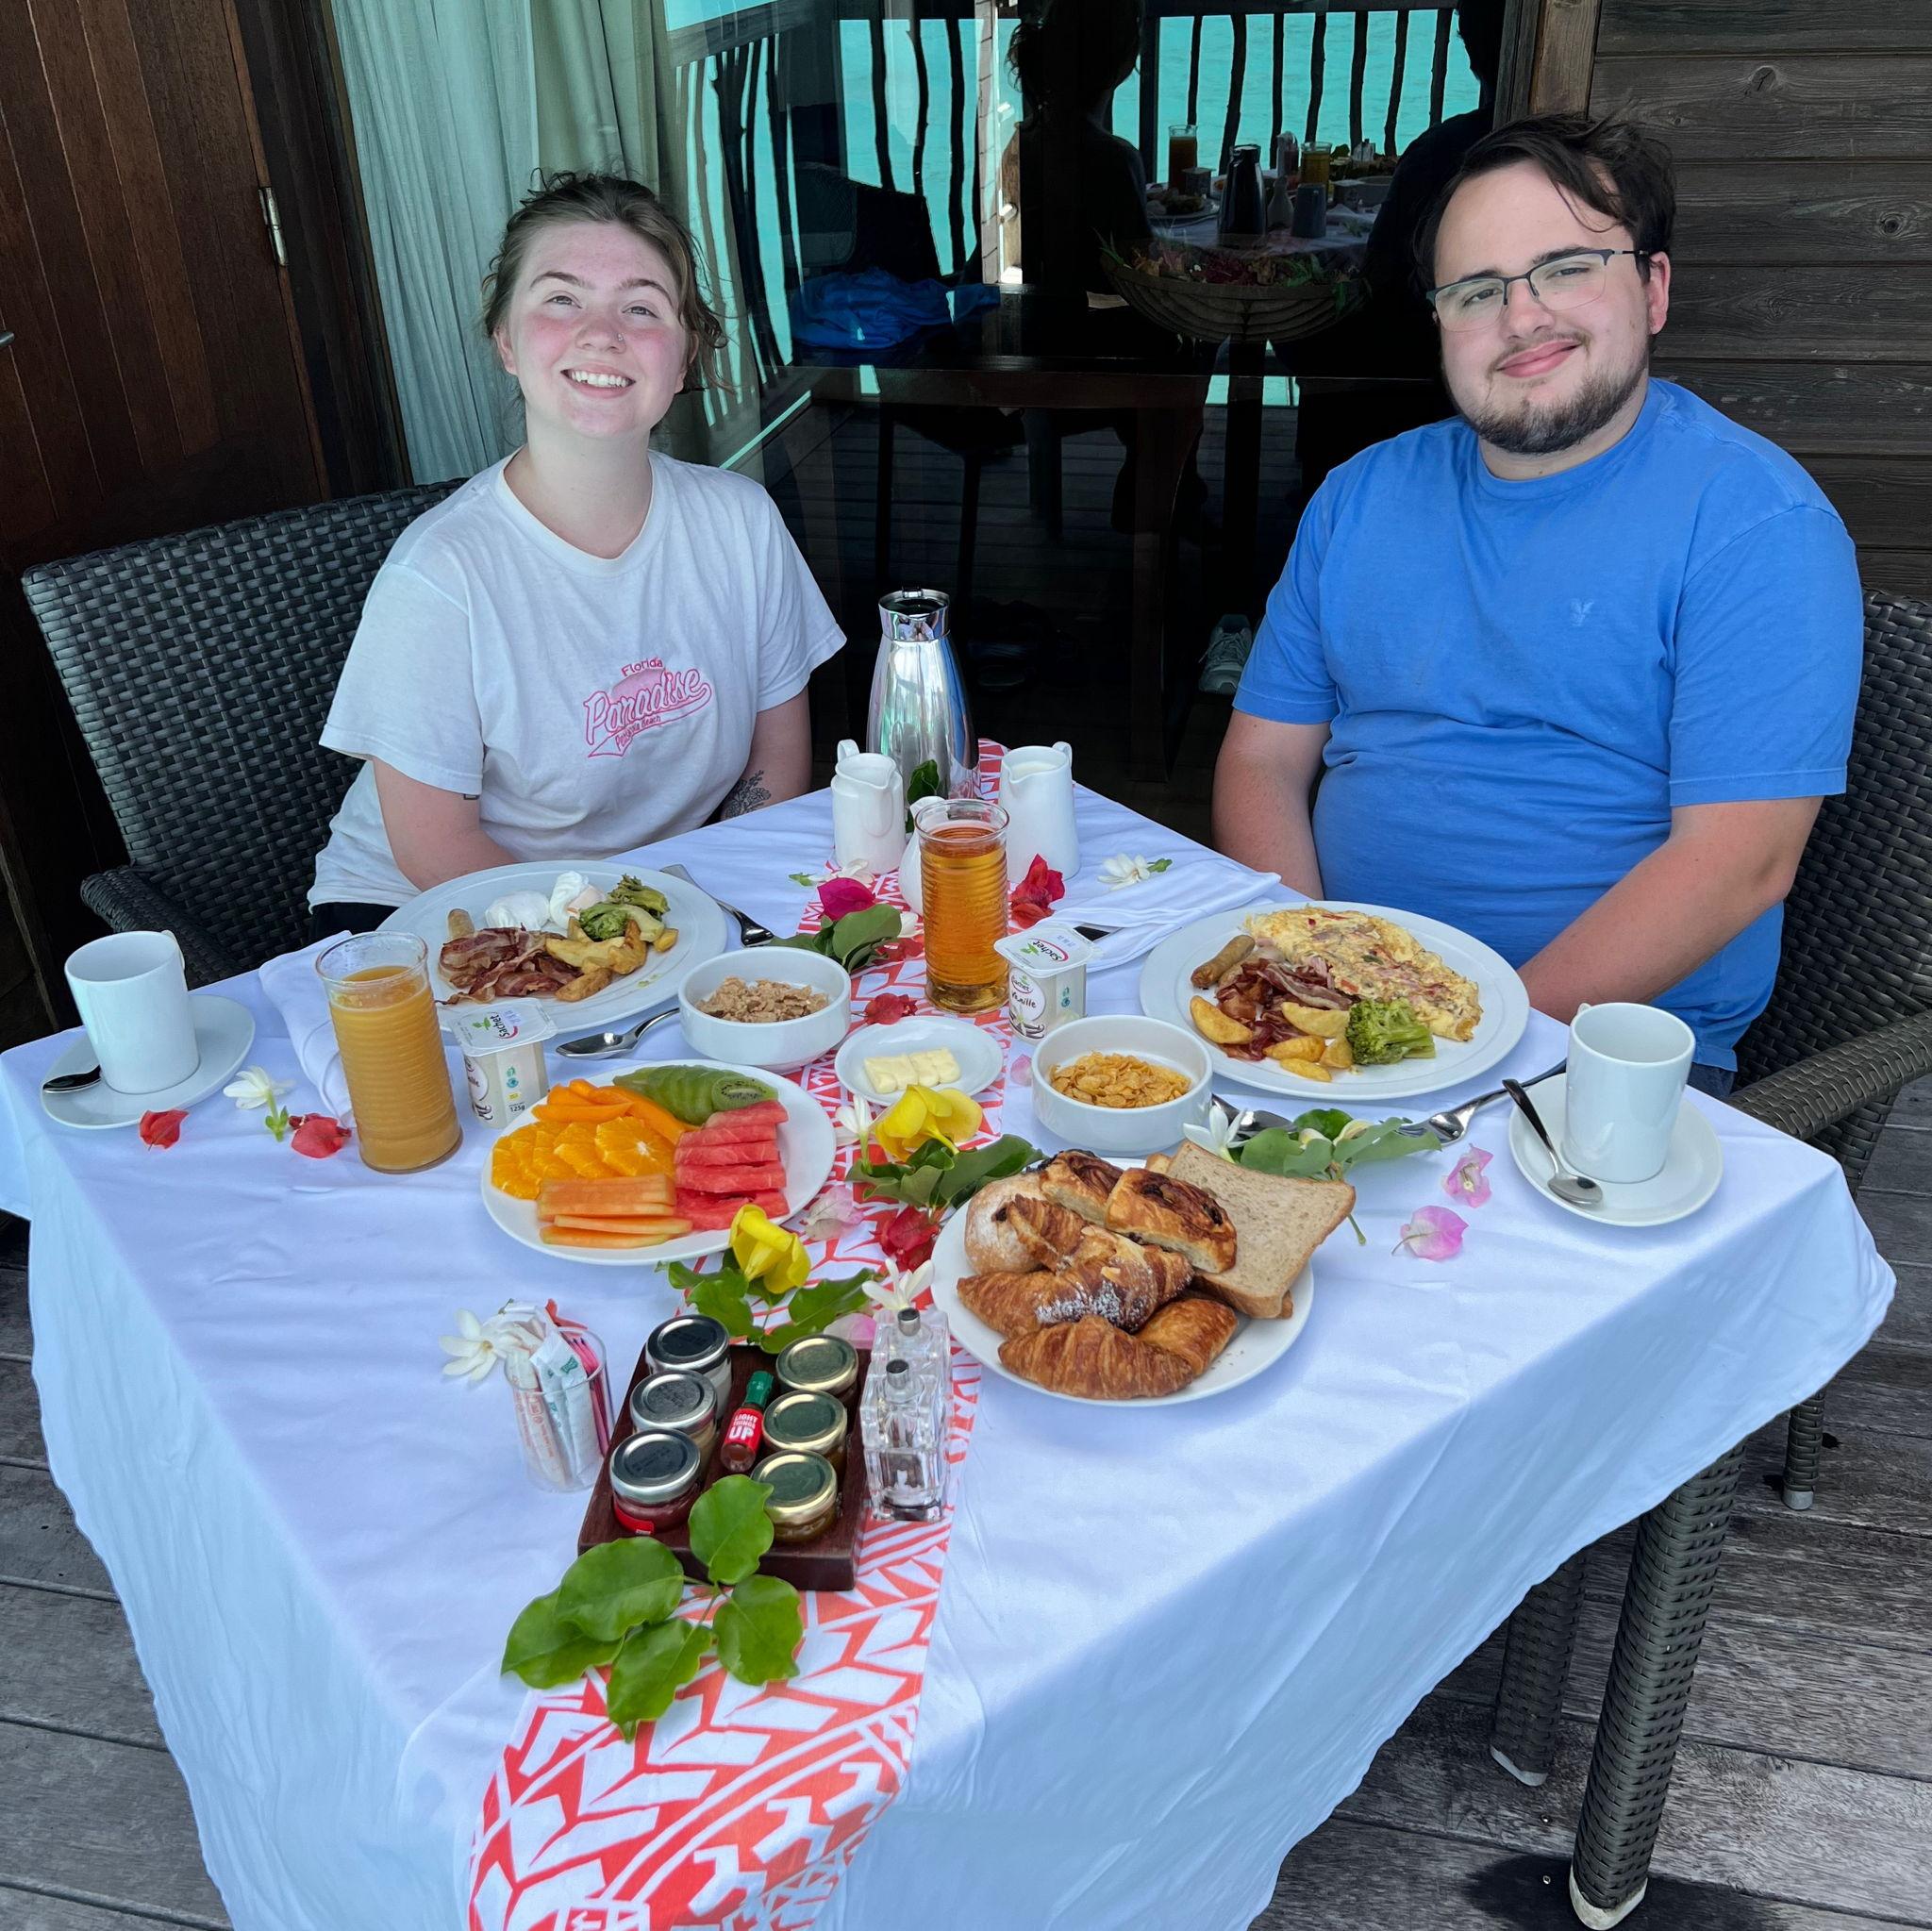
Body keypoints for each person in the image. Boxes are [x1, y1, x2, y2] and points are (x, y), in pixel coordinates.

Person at [1211, 113, 1863, 1093]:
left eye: (1565, 268)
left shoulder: (1753, 524)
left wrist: (1470, 1050)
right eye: (1474, 290)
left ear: (1650, 289)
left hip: (1595, 1062)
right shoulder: (1359, 496)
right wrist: (1315, 979)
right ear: (1436, 321)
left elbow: (1737, 864)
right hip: (1330, 1032)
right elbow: (1261, 759)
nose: (1519, 319)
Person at [307, 173, 844, 938]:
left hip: (671, 906)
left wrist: (699, 913)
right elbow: (435, 846)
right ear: (505, 341)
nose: (602, 333)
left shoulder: (740, 523)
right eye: (561, 298)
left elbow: (777, 755)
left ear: (684, 358)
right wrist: (627, 938)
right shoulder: (441, 574)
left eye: (641, 307)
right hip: (438, 911)